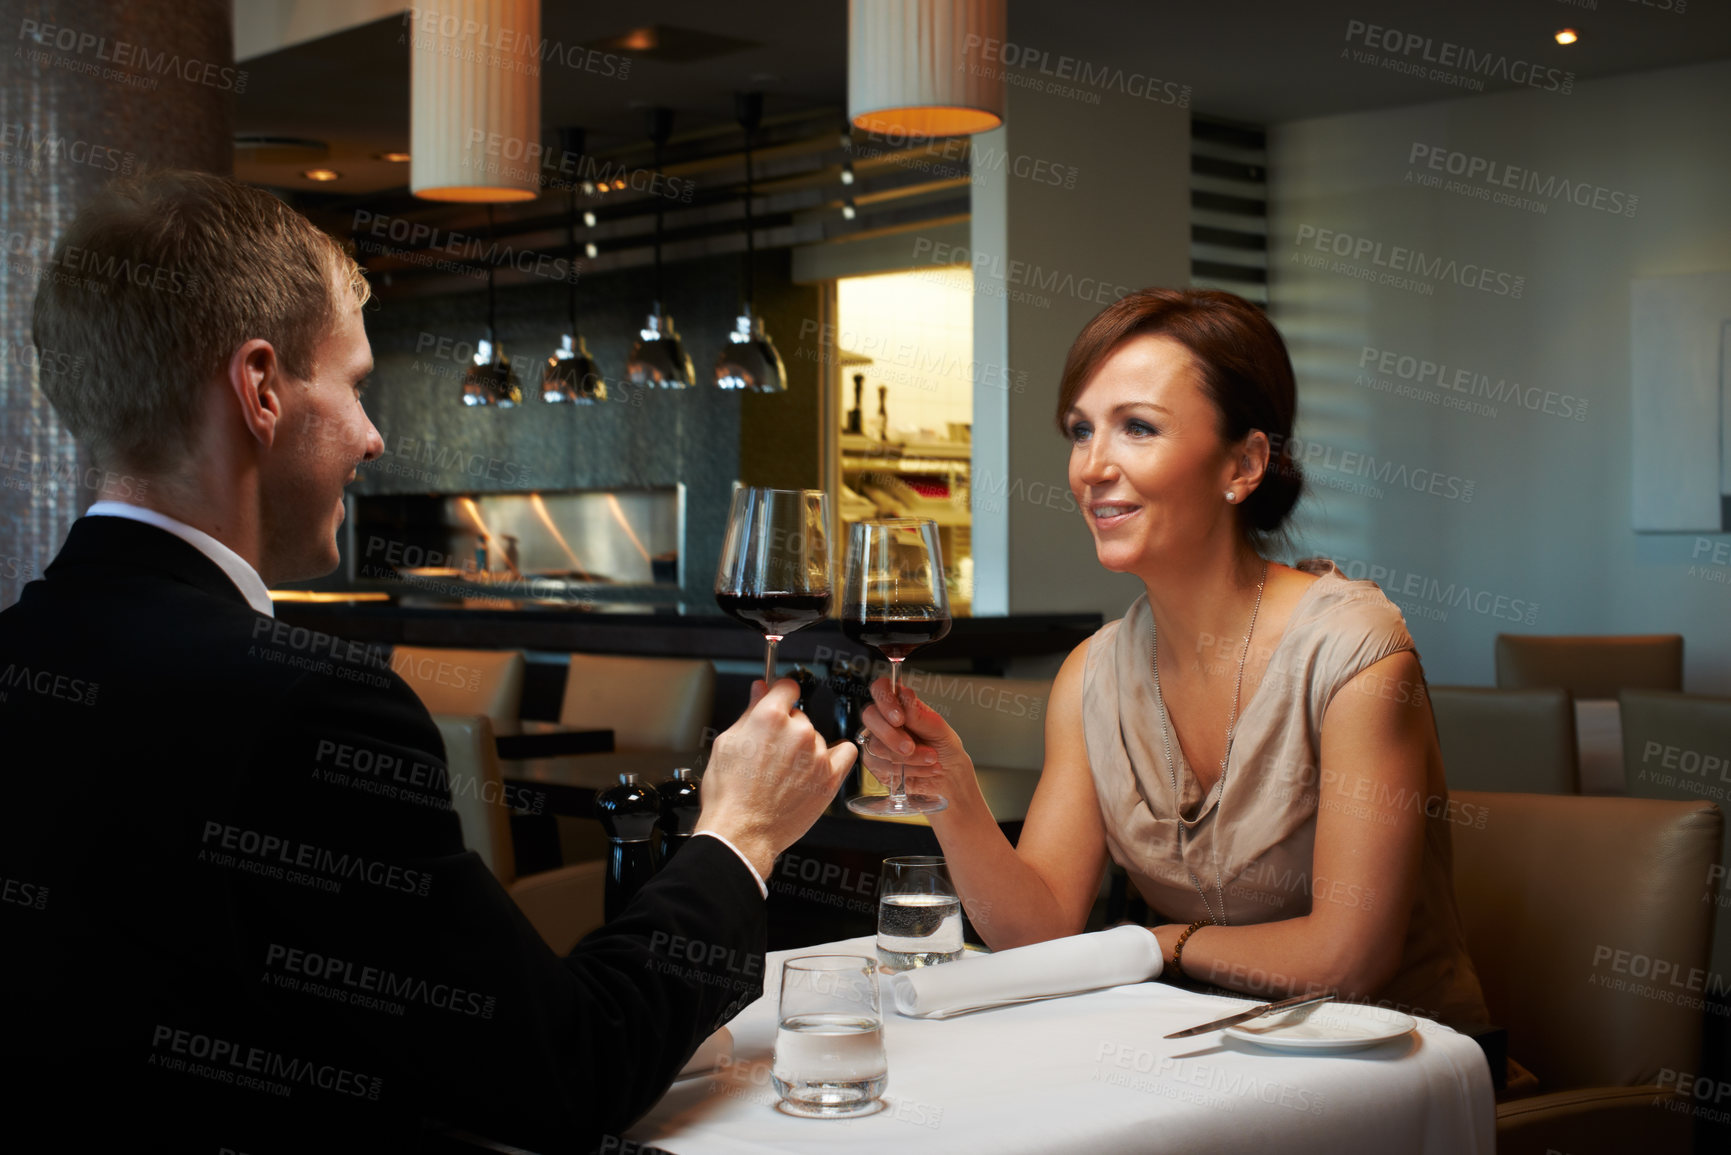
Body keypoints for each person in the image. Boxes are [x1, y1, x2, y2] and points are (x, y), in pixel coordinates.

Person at [0, 169, 855, 1152]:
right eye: (356, 385)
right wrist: (739, 831)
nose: (373, 439)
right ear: (261, 389)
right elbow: (564, 1075)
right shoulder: (308, 708)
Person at [859, 289, 1489, 1030]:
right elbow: (1037, 932)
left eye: (1136, 428)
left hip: (1397, 1076)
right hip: (1203, 1057)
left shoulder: (1353, 653)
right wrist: (951, 793)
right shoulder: (1092, 674)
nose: (1092, 467)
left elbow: (1348, 957)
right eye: (1080, 430)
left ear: (1244, 462)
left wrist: (1159, 944)